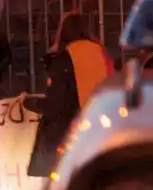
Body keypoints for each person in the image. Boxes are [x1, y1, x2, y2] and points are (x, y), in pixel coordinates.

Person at [26, 12, 114, 178]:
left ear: (63, 32)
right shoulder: (102, 53)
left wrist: (30, 103)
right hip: (100, 128)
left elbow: (56, 104)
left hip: (69, 132)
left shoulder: (64, 59)